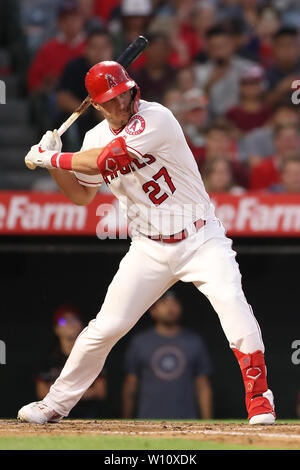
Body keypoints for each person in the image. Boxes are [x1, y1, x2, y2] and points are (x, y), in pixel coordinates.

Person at [19, 59, 276, 425]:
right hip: (148, 247)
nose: (121, 103)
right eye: (111, 99)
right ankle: (55, 403)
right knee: (105, 327)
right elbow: (81, 197)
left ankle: (260, 399)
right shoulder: (92, 139)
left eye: (124, 94)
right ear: (96, 105)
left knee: (232, 304)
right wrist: (56, 166)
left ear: (133, 89)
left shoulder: (158, 118)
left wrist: (53, 156)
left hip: (200, 237)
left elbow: (110, 158)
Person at [122, 291, 213, 419]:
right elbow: (130, 386)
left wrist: (208, 422)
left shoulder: (194, 341)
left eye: (174, 303)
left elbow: (203, 386)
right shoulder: (140, 342)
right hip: (148, 422)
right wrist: (126, 422)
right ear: (152, 311)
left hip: (186, 421)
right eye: (164, 303)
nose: (170, 308)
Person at [35, 305, 107, 419]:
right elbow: (41, 391)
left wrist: (62, 395)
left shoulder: (92, 355)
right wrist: (78, 393)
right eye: (64, 321)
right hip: (55, 417)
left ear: (81, 325)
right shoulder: (49, 359)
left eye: (74, 319)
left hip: (88, 416)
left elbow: (100, 391)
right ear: (56, 329)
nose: (70, 324)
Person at [56, 29, 113, 144]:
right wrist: (88, 110)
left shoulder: (118, 69)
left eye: (103, 47)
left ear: (111, 49)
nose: (99, 52)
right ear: (86, 49)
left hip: (110, 123)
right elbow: (62, 98)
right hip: (81, 120)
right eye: (94, 47)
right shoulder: (75, 66)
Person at [193, 25, 254, 117]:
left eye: (223, 46)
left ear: (232, 45)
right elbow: (197, 105)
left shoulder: (247, 68)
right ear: (208, 49)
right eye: (215, 47)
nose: (220, 51)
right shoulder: (201, 73)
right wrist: (209, 85)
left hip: (242, 119)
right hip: (211, 122)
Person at [250, 123, 300, 191]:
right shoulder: (261, 169)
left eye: (294, 138)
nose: (290, 143)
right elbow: (258, 197)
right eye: (286, 139)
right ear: (276, 142)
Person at [225, 65, 272, 135]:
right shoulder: (232, 112)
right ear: (240, 87)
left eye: (253, 84)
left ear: (260, 86)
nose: (250, 88)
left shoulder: (268, 110)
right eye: (246, 84)